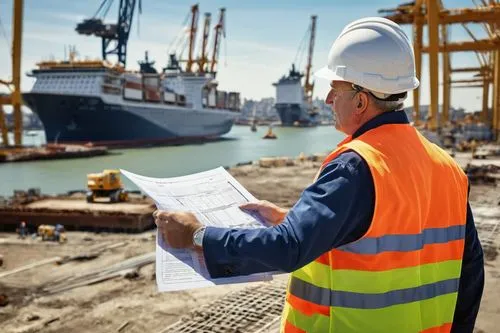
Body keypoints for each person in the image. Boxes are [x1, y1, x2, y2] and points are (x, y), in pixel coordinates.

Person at [154, 17, 484, 333]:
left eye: (334, 89)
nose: (326, 99)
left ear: (360, 100)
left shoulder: (357, 166)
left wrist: (196, 235)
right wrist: (295, 219)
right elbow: (468, 270)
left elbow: (287, 249)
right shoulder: (448, 168)